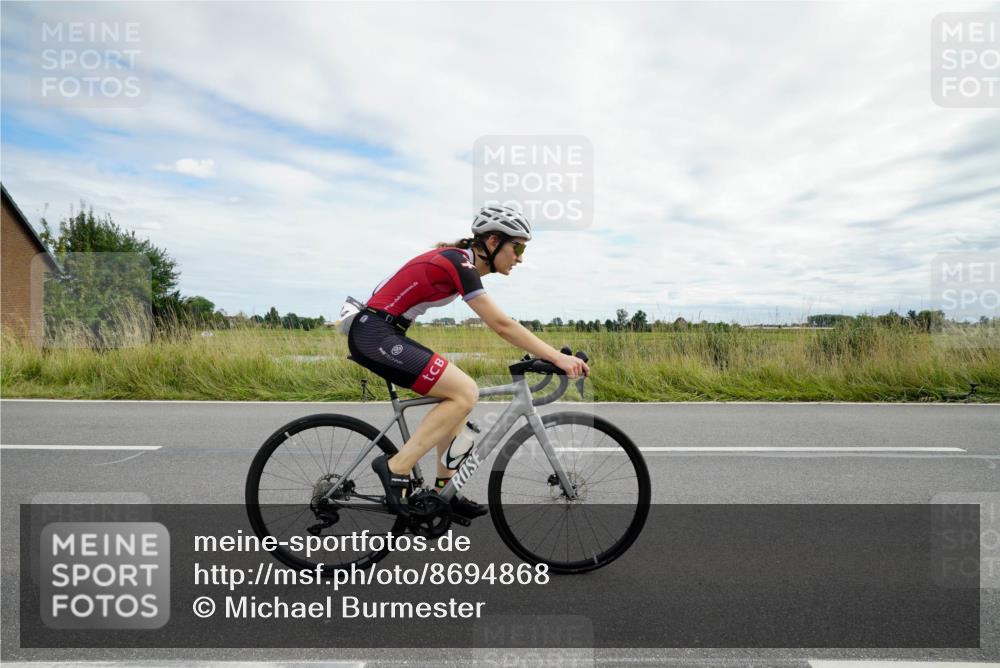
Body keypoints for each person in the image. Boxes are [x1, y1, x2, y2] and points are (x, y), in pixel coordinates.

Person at [346, 205, 589, 519]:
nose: (520, 257)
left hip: (384, 332)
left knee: (458, 397)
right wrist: (556, 356)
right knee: (464, 391)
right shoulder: (458, 262)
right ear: (491, 241)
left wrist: (551, 354)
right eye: (517, 247)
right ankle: (396, 466)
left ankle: (444, 490)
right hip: (375, 334)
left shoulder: (459, 260)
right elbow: (501, 324)